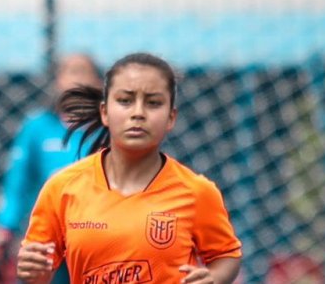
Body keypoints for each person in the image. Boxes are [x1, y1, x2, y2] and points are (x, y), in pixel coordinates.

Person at [17, 52, 242, 284]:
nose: (138, 113)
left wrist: (214, 278)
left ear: (171, 117)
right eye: (125, 100)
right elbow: (37, 269)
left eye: (153, 103)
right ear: (105, 112)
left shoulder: (197, 191)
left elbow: (226, 255)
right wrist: (32, 273)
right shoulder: (62, 188)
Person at [0, 52, 102, 284]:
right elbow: (17, 183)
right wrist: (5, 227)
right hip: (49, 239)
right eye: (69, 72)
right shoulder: (37, 127)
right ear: (56, 81)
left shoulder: (109, 129)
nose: (75, 80)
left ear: (98, 83)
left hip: (99, 239)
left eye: (83, 72)